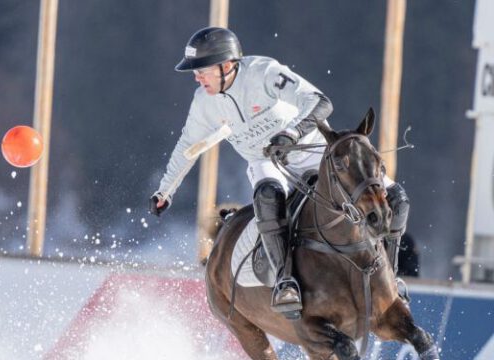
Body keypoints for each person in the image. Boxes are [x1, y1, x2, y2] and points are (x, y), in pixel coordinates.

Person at [149, 27, 411, 315]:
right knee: (267, 196)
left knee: (397, 198)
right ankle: (286, 281)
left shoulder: (265, 72)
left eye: (202, 70)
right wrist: (166, 190)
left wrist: (291, 134)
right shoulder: (203, 102)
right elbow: (187, 146)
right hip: (267, 163)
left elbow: (321, 103)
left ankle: (391, 280)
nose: (197, 77)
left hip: (312, 152)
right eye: (194, 72)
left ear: (227, 66)